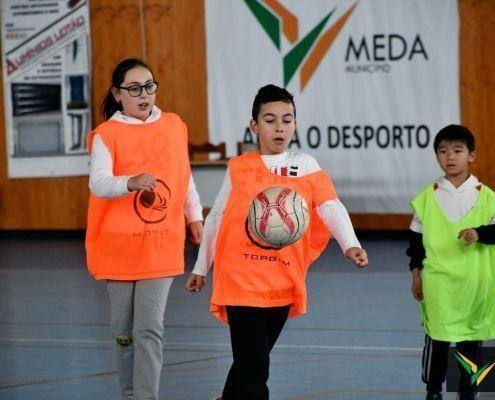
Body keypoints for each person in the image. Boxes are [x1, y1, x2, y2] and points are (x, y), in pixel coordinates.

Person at [186, 84, 368, 400]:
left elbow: (330, 206)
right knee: (255, 367)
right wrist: (201, 268)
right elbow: (216, 217)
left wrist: (349, 243)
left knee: (250, 361)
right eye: (270, 120)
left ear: (295, 123)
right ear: (255, 125)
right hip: (240, 278)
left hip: (283, 279)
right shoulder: (240, 167)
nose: (279, 126)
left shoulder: (307, 165)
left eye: (287, 119)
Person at [85, 58, 203, 400]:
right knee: (124, 334)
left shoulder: (173, 126)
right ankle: (129, 394)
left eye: (149, 86)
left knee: (149, 329)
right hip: (117, 247)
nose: (144, 94)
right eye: (134, 88)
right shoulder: (107, 135)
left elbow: (184, 175)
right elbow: (99, 184)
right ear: (118, 94)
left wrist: (194, 215)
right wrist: (131, 182)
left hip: (160, 243)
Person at [407, 124, 495, 400]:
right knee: (439, 338)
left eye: (458, 150)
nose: (450, 156)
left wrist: (479, 233)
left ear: (471, 155)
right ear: (436, 156)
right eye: (443, 151)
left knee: (471, 342)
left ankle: (468, 392)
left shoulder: (489, 198)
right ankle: (433, 390)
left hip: (475, 284)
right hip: (438, 281)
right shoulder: (427, 198)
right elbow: (415, 243)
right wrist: (416, 274)